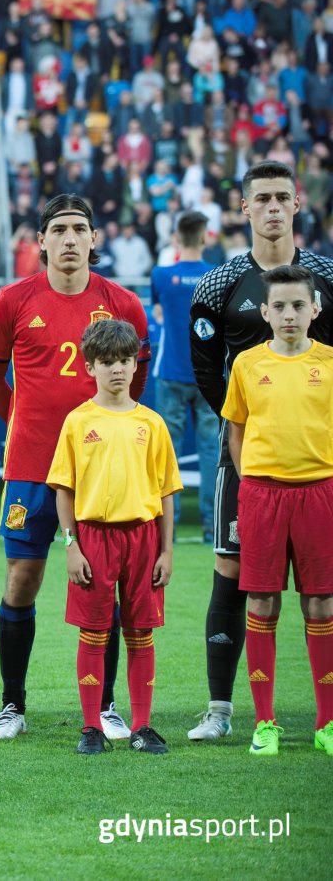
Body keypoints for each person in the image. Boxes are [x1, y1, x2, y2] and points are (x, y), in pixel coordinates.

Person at [0, 193, 151, 742]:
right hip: (30, 465)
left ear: (94, 239)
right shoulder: (11, 301)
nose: (70, 238)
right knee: (22, 580)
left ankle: (107, 706)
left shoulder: (122, 304)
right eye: (60, 230)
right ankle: (11, 705)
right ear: (42, 241)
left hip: (103, 470)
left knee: (107, 584)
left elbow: (135, 382)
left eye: (80, 228)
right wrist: (23, 423)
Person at [186, 161, 333, 742]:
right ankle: (221, 710)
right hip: (244, 455)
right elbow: (204, 371)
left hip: (317, 469)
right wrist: (249, 422)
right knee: (232, 570)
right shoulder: (218, 284)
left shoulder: (326, 276)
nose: (272, 208)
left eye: (281, 198)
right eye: (261, 199)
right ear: (244, 210)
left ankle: (323, 716)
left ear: (297, 204)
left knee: (322, 591)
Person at [47, 320, 181, 755]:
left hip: (142, 540)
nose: (117, 370)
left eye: (124, 360)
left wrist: (166, 550)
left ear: (134, 362)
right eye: (107, 362)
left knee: (140, 631)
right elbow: (63, 490)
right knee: (94, 631)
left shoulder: (152, 423)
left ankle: (141, 727)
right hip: (93, 538)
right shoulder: (77, 421)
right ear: (90, 367)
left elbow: (165, 493)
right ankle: (91, 728)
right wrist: (71, 545)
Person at [219, 264, 333, 757]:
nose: (289, 314)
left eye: (298, 305)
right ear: (265, 312)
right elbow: (236, 430)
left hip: (320, 493)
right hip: (263, 496)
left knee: (322, 605)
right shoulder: (246, 364)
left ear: (316, 309)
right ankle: (265, 723)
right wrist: (251, 486)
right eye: (280, 307)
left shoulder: (330, 362)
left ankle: (326, 723)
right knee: (262, 604)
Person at [149, 212, 217, 540]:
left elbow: (159, 312)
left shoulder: (161, 275)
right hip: (207, 375)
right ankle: (212, 526)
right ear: (204, 238)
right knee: (211, 451)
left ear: (176, 239)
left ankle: (169, 528)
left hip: (171, 374)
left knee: (169, 455)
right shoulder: (216, 276)